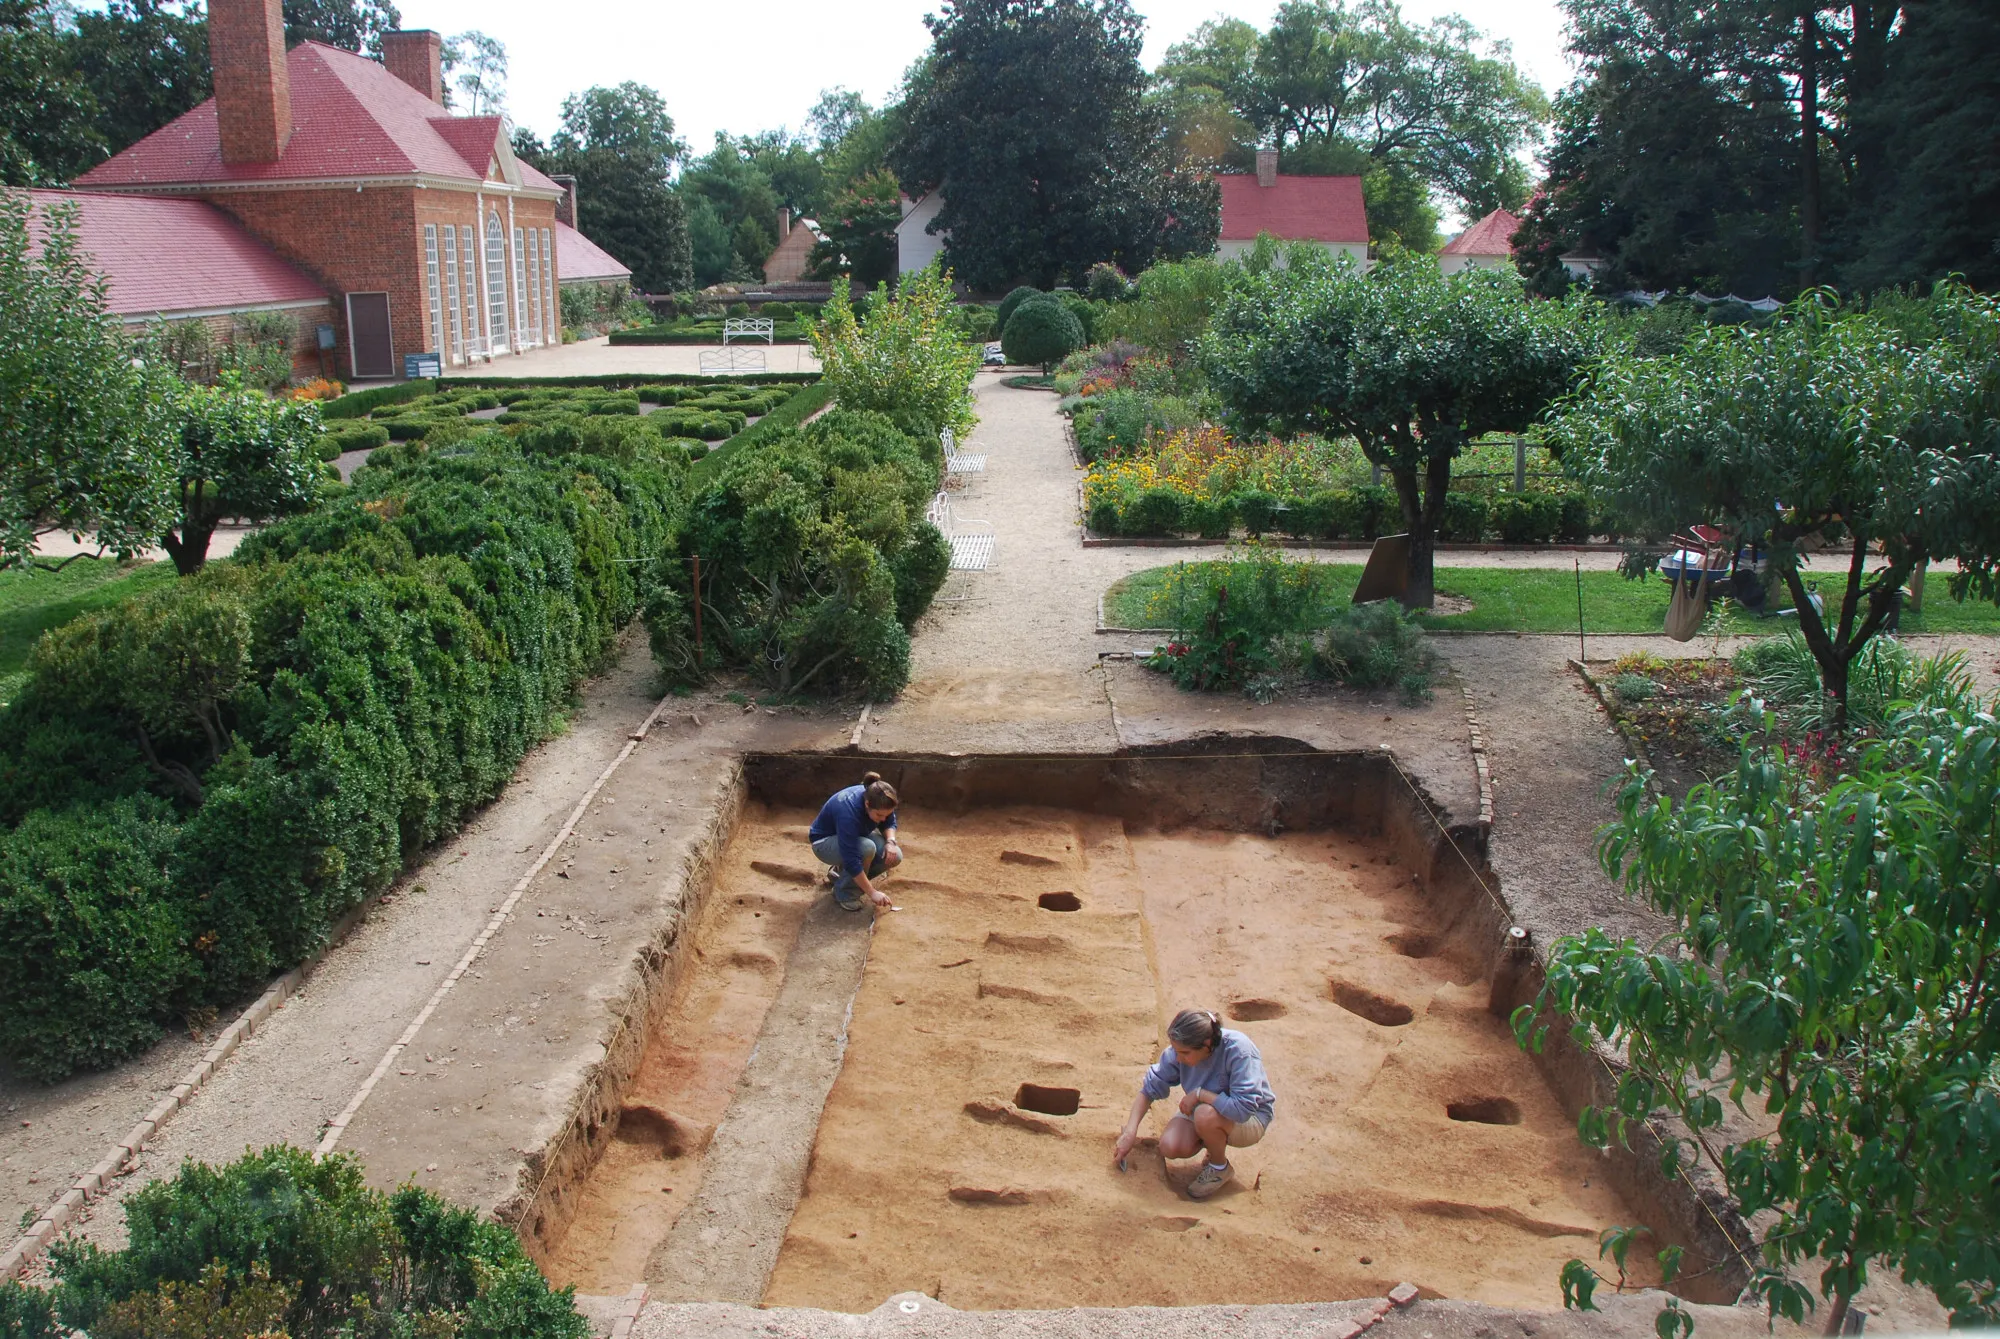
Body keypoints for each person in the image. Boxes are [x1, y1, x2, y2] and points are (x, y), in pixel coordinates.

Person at [1112, 1008, 1275, 1200]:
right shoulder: (1179, 1051)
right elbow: (1149, 1089)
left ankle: (1218, 1167)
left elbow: (1242, 1110)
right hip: (1204, 1110)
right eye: (1175, 1051)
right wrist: (1131, 1131)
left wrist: (1199, 1094)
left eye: (1185, 1053)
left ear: (1206, 1045)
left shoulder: (1239, 1050)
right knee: (1170, 1146)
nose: (1178, 1058)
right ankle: (1214, 1142)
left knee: (1205, 1115)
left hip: (1250, 1118)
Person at [807, 771, 903, 911]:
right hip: (824, 843)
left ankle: (842, 876)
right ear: (867, 804)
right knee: (866, 849)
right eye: (879, 815)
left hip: (852, 838)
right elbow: (851, 859)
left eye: (886, 814)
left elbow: (889, 822)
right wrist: (872, 893)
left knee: (895, 856)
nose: (883, 818)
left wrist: (891, 842)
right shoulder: (848, 813)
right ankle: (845, 893)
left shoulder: (878, 798)